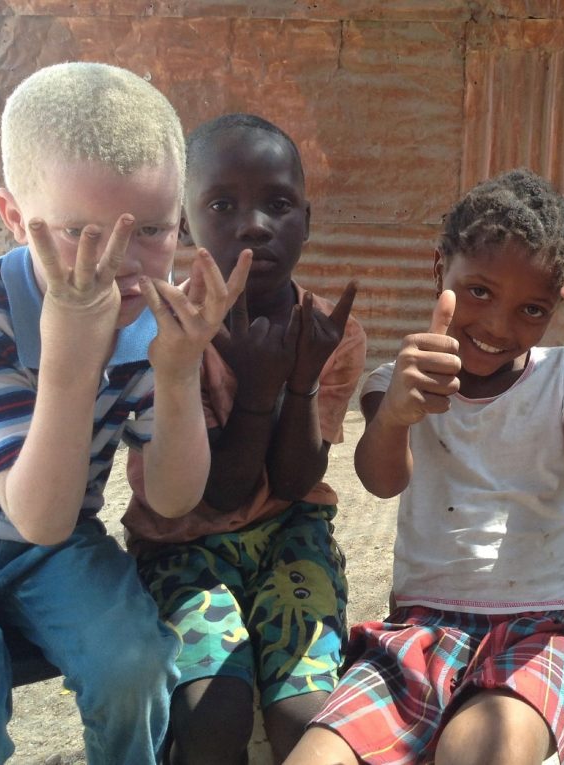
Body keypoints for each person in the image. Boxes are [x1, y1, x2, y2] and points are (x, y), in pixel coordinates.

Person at [0, 63, 250, 764]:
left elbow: (171, 497)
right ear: (14, 218)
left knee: (135, 668)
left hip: (59, 543)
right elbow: (31, 511)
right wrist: (72, 362)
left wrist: (177, 371)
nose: (122, 266)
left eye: (154, 230)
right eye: (81, 231)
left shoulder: (152, 317)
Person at [284, 168, 564, 765]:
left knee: (476, 753)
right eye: (479, 291)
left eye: (531, 309)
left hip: (547, 625)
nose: (498, 326)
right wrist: (398, 415)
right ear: (440, 271)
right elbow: (382, 481)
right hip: (422, 630)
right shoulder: (403, 377)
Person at [122, 113, 366, 765]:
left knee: (303, 714)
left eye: (279, 203)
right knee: (216, 712)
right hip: (183, 542)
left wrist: (301, 381)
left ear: (307, 221)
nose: (255, 224)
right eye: (223, 203)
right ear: (184, 223)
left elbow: (292, 482)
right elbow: (212, 495)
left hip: (290, 527)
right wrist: (259, 391)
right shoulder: (165, 332)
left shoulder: (329, 333)